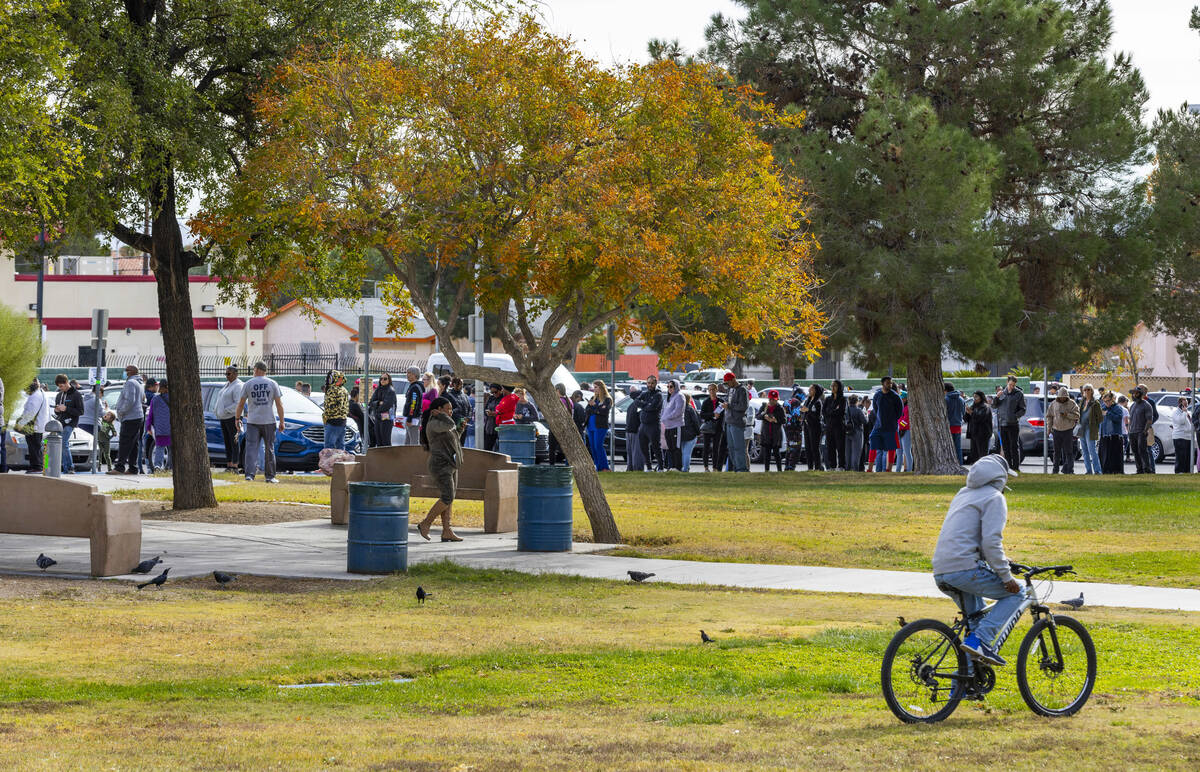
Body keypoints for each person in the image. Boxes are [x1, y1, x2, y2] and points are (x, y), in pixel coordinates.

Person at [932, 454, 1024, 667]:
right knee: (1018, 593)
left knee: (975, 622)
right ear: (1000, 478)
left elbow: (969, 538)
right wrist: (1005, 575)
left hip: (942, 569)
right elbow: (991, 543)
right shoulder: (994, 498)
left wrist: (1002, 561)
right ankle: (981, 640)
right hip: (965, 569)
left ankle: (963, 687)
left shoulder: (963, 494)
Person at [416, 396, 462, 542]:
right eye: (447, 409)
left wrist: (460, 429)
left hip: (451, 464)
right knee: (448, 496)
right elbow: (449, 425)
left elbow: (452, 436)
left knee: (449, 498)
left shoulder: (442, 423)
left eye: (451, 409)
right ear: (438, 410)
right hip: (440, 465)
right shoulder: (434, 423)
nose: (450, 412)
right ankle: (425, 523)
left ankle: (447, 531)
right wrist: (443, 416)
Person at [236, 361, 285, 483]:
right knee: (269, 448)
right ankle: (270, 477)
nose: (253, 372)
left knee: (251, 448)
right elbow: (279, 404)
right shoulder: (273, 383)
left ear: (257, 370)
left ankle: (249, 475)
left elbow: (241, 404)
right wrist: (282, 421)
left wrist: (237, 419)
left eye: (254, 370)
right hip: (269, 420)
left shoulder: (248, 384)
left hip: (253, 421)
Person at [111, 366, 145, 475]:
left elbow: (130, 400)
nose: (124, 373)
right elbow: (143, 398)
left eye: (126, 371)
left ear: (130, 372)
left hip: (130, 417)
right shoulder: (139, 383)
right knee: (133, 443)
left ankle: (119, 467)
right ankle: (132, 468)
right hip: (138, 416)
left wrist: (121, 411)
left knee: (125, 442)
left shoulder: (130, 383)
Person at [869, 377, 903, 472]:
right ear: (882, 383)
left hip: (891, 427)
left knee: (891, 447)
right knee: (873, 444)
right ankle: (870, 469)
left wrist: (892, 420)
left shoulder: (895, 396)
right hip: (878, 426)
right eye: (888, 383)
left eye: (891, 383)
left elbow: (899, 412)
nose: (890, 385)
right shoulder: (877, 395)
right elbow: (875, 409)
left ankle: (888, 469)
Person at [992, 376, 1026, 471]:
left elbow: (1023, 409)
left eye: (1013, 385)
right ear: (1007, 382)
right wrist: (997, 397)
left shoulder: (1019, 394)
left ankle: (1015, 467)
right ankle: (1008, 467)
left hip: (1013, 424)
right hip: (1002, 424)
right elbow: (994, 406)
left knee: (1014, 446)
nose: (1011, 387)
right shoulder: (1002, 393)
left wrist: (1015, 416)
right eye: (1010, 384)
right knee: (1005, 447)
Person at [52, 374, 83, 474]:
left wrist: (66, 409)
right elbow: (57, 412)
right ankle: (64, 467)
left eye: (61, 386)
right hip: (60, 423)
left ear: (66, 383)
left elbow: (80, 411)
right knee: (60, 444)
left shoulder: (76, 394)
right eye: (59, 387)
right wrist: (57, 410)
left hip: (71, 423)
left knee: (64, 443)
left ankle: (70, 467)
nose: (60, 389)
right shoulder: (59, 395)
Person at [16, 379, 49, 473]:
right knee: (37, 447)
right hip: (38, 425)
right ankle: (39, 466)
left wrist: (20, 424)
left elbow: (30, 413)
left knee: (34, 447)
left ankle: (37, 467)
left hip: (34, 426)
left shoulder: (35, 396)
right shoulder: (40, 393)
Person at [1045, 386, 1080, 474]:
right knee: (1056, 452)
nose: (1062, 398)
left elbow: (1077, 415)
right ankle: (1055, 470)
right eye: (1061, 396)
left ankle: (1069, 470)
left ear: (1067, 396)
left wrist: (1067, 415)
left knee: (1069, 451)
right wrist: (1049, 429)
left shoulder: (1072, 403)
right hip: (1056, 430)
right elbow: (1049, 416)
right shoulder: (1053, 404)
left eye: (1064, 396)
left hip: (1067, 430)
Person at [216, 366, 243, 472]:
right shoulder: (227, 385)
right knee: (227, 442)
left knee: (234, 442)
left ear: (235, 374)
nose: (227, 376)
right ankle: (229, 464)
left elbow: (238, 403)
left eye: (229, 374)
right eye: (226, 374)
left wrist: (226, 410)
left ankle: (235, 465)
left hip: (233, 417)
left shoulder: (238, 386)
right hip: (224, 417)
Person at [635, 375, 664, 471]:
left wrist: (644, 406)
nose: (650, 385)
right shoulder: (645, 394)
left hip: (654, 425)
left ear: (655, 383)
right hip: (643, 425)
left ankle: (661, 467)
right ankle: (649, 467)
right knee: (643, 447)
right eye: (648, 383)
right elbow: (636, 401)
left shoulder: (658, 395)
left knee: (656, 447)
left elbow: (652, 408)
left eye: (652, 383)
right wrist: (646, 405)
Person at [722, 372, 750, 472]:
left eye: (727, 382)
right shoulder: (730, 389)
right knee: (731, 447)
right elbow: (728, 401)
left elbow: (743, 406)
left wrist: (729, 406)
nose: (727, 385)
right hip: (729, 421)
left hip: (737, 422)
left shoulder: (742, 390)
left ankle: (742, 468)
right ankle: (735, 467)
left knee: (739, 447)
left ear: (733, 380)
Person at [585, 381, 612, 471]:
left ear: (601, 388)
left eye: (596, 387)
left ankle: (605, 467)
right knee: (592, 447)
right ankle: (598, 466)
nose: (594, 389)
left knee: (598, 446)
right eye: (594, 387)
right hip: (590, 425)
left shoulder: (607, 399)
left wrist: (595, 407)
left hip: (600, 426)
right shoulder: (593, 397)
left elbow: (604, 412)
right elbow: (587, 410)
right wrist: (597, 408)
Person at [145, 380, 172, 471]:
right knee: (172, 448)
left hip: (159, 428)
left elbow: (151, 414)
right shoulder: (174, 398)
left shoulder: (155, 399)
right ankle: (170, 467)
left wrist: (148, 426)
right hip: (172, 427)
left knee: (160, 447)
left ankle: (157, 466)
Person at [758, 390, 786, 472]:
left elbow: (784, 420)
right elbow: (758, 415)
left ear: (777, 399)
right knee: (767, 453)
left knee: (777, 453)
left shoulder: (780, 408)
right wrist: (764, 416)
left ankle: (779, 470)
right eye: (770, 399)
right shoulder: (764, 406)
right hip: (766, 433)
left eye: (773, 399)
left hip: (776, 434)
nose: (771, 401)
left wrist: (775, 420)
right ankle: (766, 470)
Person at [1076, 384, 1102, 475]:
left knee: (1092, 450)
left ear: (1092, 391)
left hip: (1090, 429)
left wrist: (1094, 425)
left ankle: (1098, 471)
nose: (1086, 391)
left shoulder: (1096, 403)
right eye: (1085, 390)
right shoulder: (1082, 402)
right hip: (1082, 428)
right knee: (1084, 451)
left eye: (1088, 389)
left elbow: (1100, 418)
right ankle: (1088, 470)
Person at [1127, 387, 1153, 474]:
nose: (1134, 395)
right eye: (1133, 393)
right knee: (1135, 452)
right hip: (1132, 432)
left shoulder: (1146, 405)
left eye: (1136, 393)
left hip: (1141, 431)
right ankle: (1139, 470)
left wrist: (1145, 431)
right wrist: (1129, 430)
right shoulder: (1133, 405)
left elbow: (1149, 420)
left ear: (1140, 394)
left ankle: (1147, 469)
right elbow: (1131, 419)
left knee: (1142, 451)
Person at [321, 370, 350, 450]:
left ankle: (330, 463)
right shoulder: (344, 390)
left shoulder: (333, 390)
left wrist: (326, 417)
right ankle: (340, 462)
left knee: (329, 448)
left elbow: (329, 407)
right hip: (342, 421)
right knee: (340, 446)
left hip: (332, 422)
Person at [1098, 391, 1125, 474]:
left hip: (1115, 435)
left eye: (1108, 401)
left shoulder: (1118, 408)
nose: (1106, 403)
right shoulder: (1103, 407)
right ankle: (1105, 471)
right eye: (1105, 401)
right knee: (1104, 455)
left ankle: (1116, 471)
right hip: (1104, 435)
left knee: (1115, 456)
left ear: (1112, 400)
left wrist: (1108, 414)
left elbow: (1118, 418)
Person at [661, 379, 685, 471]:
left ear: (676, 387)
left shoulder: (679, 396)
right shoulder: (669, 398)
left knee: (676, 447)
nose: (669, 389)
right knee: (670, 447)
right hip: (668, 426)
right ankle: (672, 466)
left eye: (671, 387)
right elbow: (664, 410)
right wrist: (663, 418)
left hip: (676, 426)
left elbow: (678, 411)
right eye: (668, 387)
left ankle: (678, 467)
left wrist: (667, 417)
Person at [369, 372, 398, 447]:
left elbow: (386, 405)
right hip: (378, 418)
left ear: (389, 380)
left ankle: (388, 458)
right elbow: (371, 402)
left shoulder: (390, 391)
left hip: (387, 418)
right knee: (379, 441)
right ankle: (381, 458)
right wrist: (378, 403)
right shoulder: (378, 389)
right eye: (381, 379)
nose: (383, 380)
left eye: (385, 379)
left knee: (385, 441)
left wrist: (377, 408)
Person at [964, 391, 993, 465]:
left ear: (981, 397)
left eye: (976, 397)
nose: (975, 399)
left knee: (982, 454)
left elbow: (980, 418)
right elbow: (966, 419)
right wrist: (967, 413)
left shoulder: (985, 407)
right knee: (974, 454)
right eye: (974, 397)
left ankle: (984, 468)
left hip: (983, 433)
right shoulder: (973, 406)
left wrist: (971, 413)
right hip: (974, 433)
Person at [800, 383, 824, 471]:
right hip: (807, 426)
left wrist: (808, 410)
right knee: (807, 447)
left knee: (815, 447)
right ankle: (810, 467)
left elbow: (817, 415)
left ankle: (818, 467)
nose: (809, 390)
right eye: (809, 389)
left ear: (816, 391)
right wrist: (802, 411)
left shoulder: (818, 402)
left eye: (811, 389)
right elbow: (804, 410)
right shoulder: (808, 400)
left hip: (815, 427)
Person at [699, 383, 722, 473]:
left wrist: (720, 416)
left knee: (716, 448)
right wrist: (713, 414)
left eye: (713, 389)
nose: (712, 391)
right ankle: (706, 467)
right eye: (710, 390)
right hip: (708, 427)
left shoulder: (720, 401)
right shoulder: (706, 402)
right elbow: (702, 415)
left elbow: (724, 414)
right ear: (708, 391)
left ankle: (715, 468)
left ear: (716, 390)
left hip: (718, 427)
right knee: (706, 447)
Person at [824, 380, 847, 470]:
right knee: (830, 446)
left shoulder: (842, 399)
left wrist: (831, 411)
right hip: (829, 426)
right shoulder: (828, 399)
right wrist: (833, 410)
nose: (833, 388)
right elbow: (824, 411)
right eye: (832, 386)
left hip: (839, 426)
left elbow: (840, 412)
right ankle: (832, 466)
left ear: (839, 387)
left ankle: (841, 465)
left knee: (840, 446)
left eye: (835, 386)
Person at [139, 377, 159, 474]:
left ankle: (145, 466)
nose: (157, 387)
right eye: (156, 385)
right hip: (150, 424)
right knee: (150, 444)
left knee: (144, 445)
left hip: (142, 423)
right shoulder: (154, 397)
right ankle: (150, 467)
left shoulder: (144, 395)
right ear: (151, 386)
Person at [401, 367, 424, 445]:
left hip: (413, 418)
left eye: (409, 373)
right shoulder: (412, 386)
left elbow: (414, 404)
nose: (407, 375)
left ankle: (414, 457)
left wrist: (410, 418)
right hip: (410, 417)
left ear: (415, 375)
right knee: (407, 442)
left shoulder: (415, 387)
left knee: (414, 442)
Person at [944, 383, 966, 464]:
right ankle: (959, 464)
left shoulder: (945, 399)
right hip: (958, 425)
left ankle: (949, 464)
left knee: (947, 447)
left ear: (945, 390)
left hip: (948, 426)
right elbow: (963, 413)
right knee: (958, 447)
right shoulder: (961, 399)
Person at [844, 394, 866, 471]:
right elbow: (864, 421)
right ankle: (855, 469)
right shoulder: (858, 410)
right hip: (857, 432)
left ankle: (847, 468)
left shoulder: (846, 410)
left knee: (848, 452)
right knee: (856, 452)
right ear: (857, 401)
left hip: (847, 432)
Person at [625, 385, 645, 471]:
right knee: (631, 453)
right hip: (630, 431)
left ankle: (637, 469)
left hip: (637, 431)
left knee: (637, 453)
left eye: (633, 392)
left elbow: (642, 419)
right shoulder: (633, 404)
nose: (631, 394)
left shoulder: (640, 404)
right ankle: (631, 468)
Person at [680, 393, 701, 471]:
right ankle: (685, 468)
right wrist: (698, 432)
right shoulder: (690, 409)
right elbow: (695, 422)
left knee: (683, 452)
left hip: (681, 433)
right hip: (690, 433)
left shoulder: (678, 408)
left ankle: (683, 467)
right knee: (687, 453)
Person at [1172, 396, 1193, 474]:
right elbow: (1181, 421)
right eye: (1184, 403)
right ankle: (1179, 471)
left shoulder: (1187, 412)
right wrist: (1184, 412)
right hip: (1179, 436)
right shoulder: (1176, 412)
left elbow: (1190, 423)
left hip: (1188, 437)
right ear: (1180, 403)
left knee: (1188, 456)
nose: (1186, 404)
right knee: (1181, 456)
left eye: (1187, 403)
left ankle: (1187, 471)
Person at [896, 392, 914, 472]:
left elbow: (906, 420)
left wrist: (899, 423)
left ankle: (909, 469)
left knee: (907, 451)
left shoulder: (908, 407)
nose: (901, 400)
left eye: (902, 398)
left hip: (906, 431)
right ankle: (897, 470)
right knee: (898, 452)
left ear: (906, 398)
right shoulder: (900, 406)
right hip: (900, 430)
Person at [483, 383, 503, 451]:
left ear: (500, 390)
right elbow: (485, 409)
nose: (494, 394)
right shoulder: (491, 398)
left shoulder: (504, 399)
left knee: (500, 449)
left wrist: (495, 414)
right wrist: (487, 413)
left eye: (496, 392)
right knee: (487, 449)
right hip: (489, 428)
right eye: (492, 392)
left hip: (500, 427)